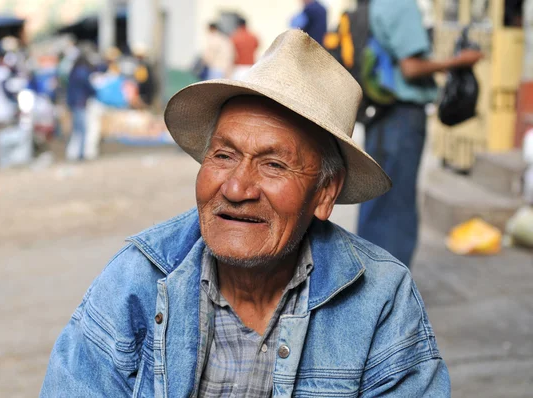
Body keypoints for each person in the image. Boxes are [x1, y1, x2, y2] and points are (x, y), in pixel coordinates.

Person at [41, 30, 450, 397]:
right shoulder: (138, 278)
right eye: (223, 155)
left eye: (273, 165)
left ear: (325, 192)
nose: (236, 188)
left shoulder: (381, 297)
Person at [357, 0, 483, 267]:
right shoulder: (401, 5)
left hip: (383, 116)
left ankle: (370, 280)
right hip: (400, 117)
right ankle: (387, 288)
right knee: (396, 206)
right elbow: (411, 67)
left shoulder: (379, 4)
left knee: (379, 202)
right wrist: (459, 61)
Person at [65, 52, 95, 161]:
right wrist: (95, 92)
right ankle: (80, 154)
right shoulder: (82, 72)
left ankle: (72, 153)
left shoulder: (73, 71)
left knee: (75, 129)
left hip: (73, 103)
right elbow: (88, 87)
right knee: (82, 130)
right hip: (80, 103)